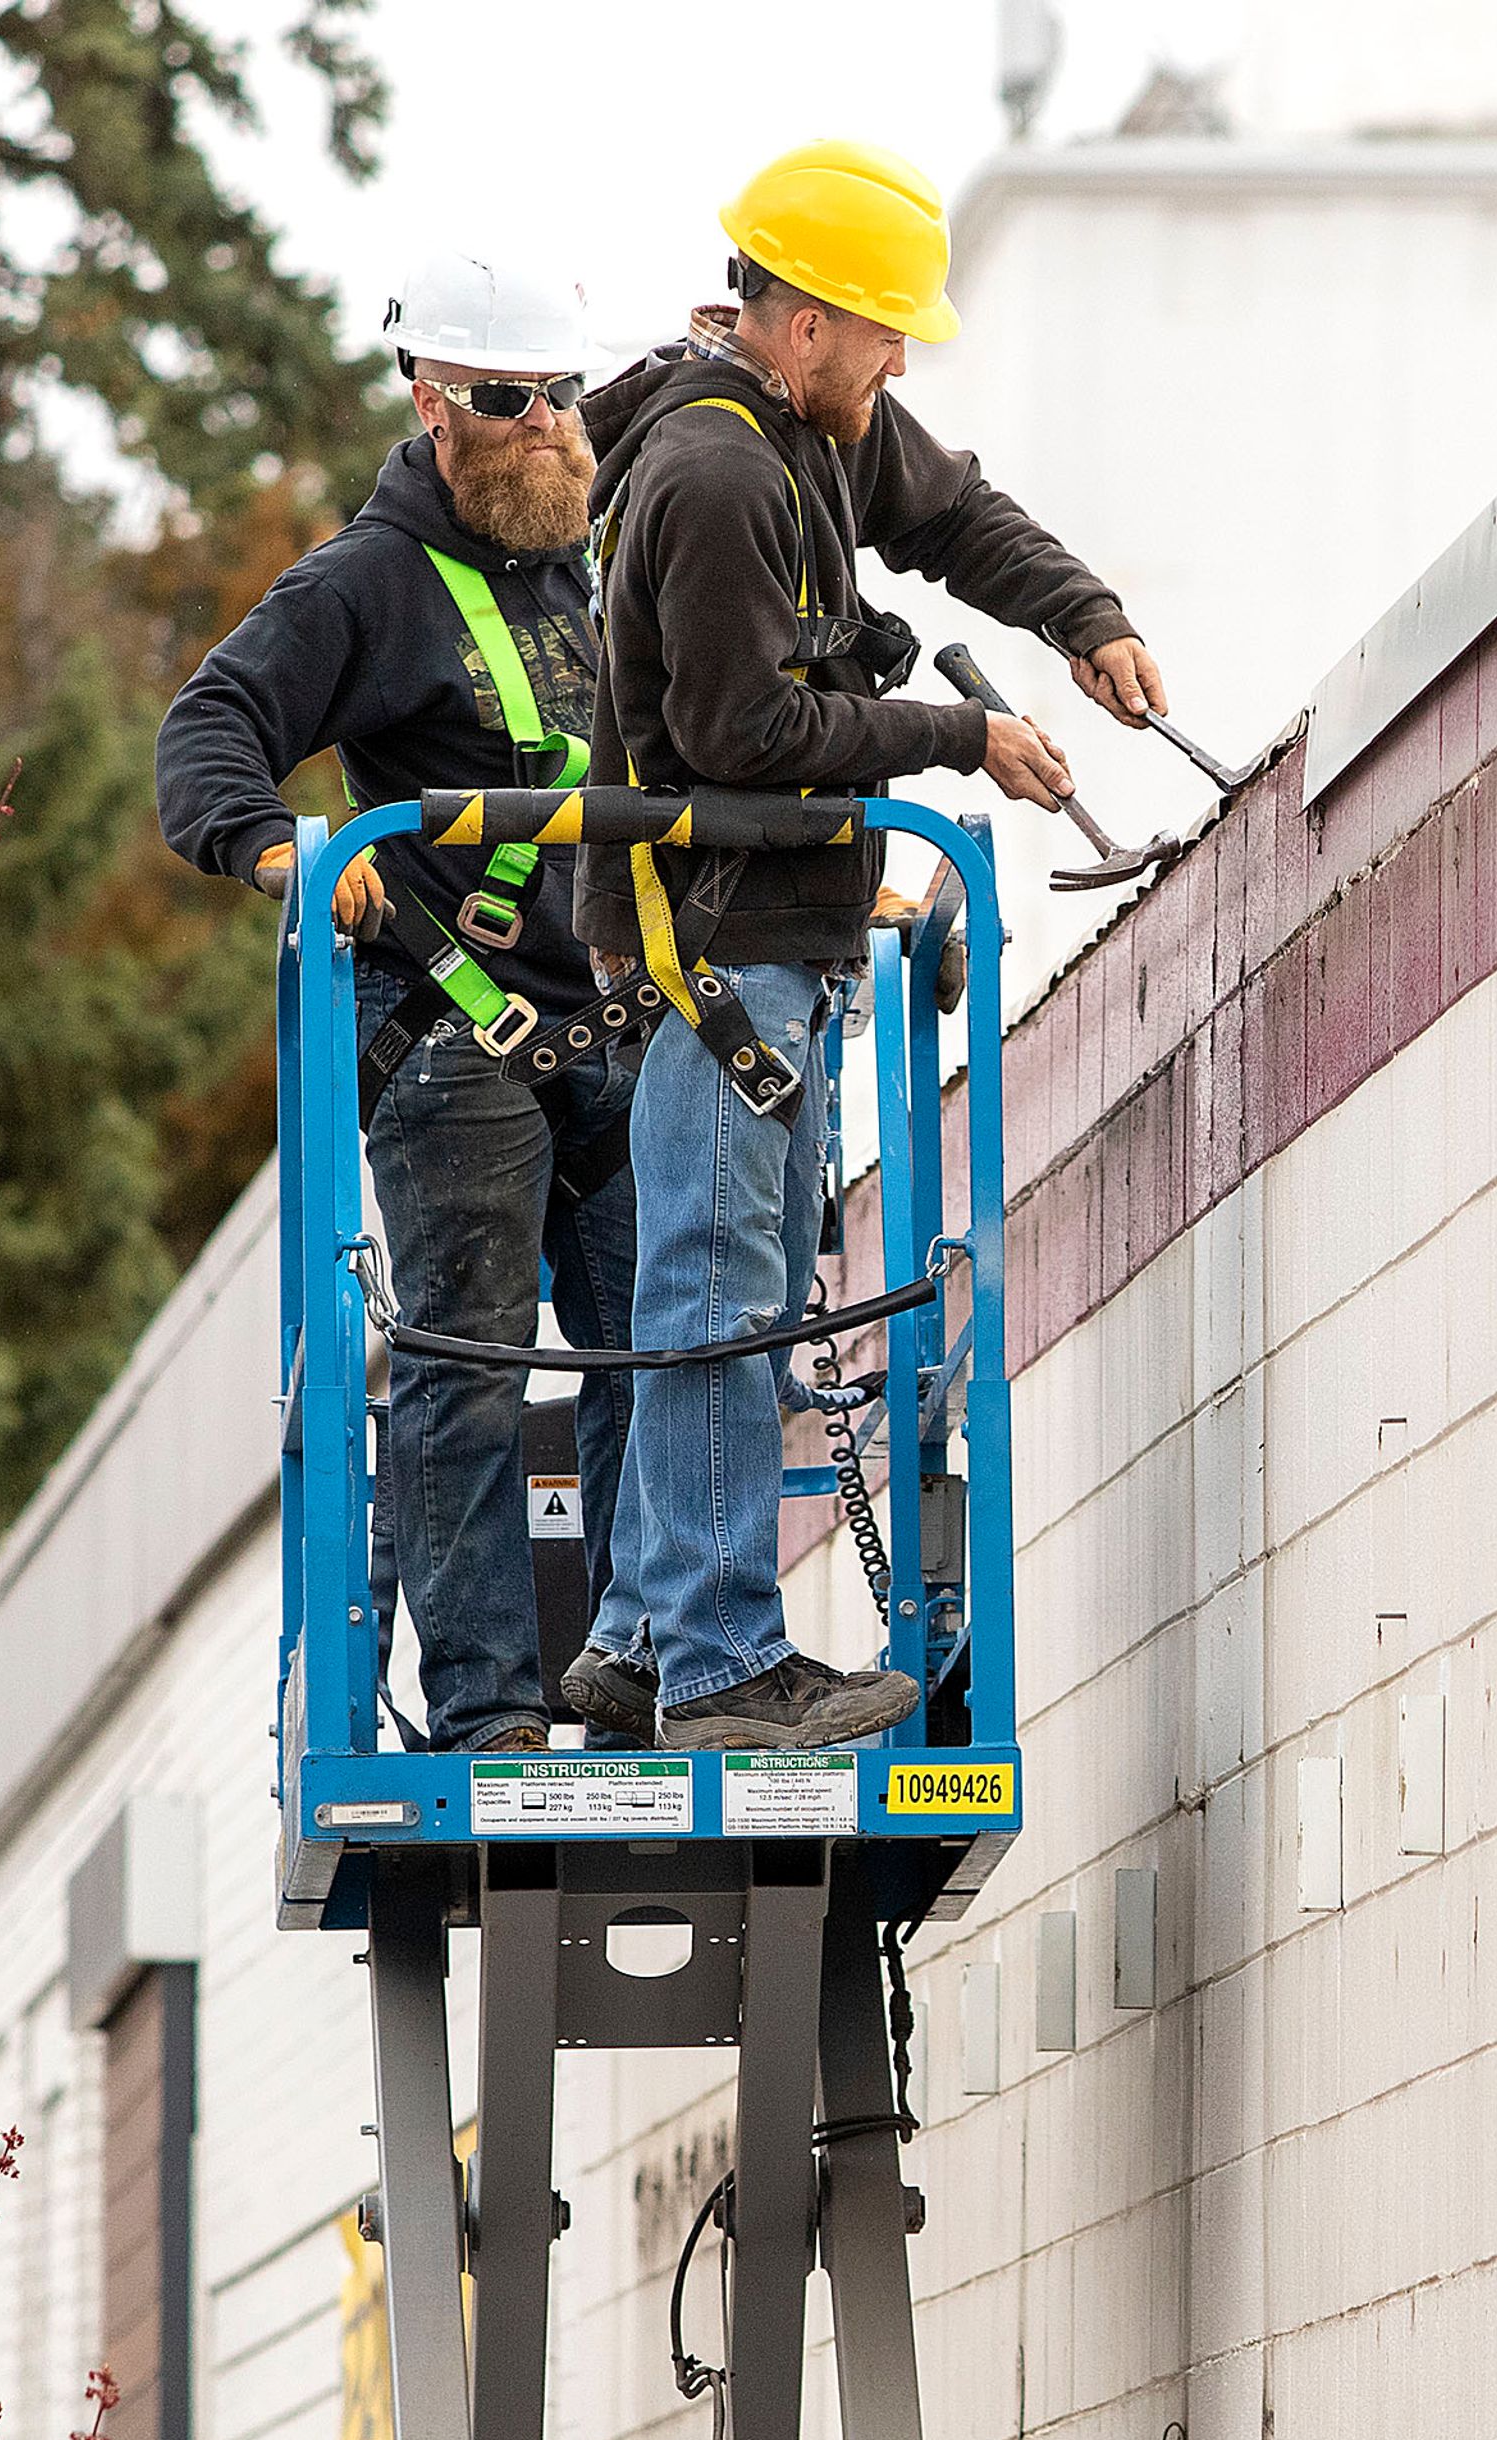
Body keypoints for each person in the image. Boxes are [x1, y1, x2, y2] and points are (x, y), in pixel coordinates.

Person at [557, 138, 1167, 1748]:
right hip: (711, 949)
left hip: (773, 939)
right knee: (715, 1294)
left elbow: (952, 510)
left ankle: (639, 1636)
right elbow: (740, 729)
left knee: (739, 1280)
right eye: (888, 330)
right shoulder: (715, 475)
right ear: (806, 317)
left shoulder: (812, 431)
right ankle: (717, 1667)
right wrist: (960, 736)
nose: (903, 361)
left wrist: (1081, 613)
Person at [155, 248, 635, 1755]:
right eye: (511, 398)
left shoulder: (597, 559)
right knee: (471, 1363)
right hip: (457, 1030)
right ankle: (491, 1704)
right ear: (432, 404)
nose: (551, 424)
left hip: (619, 1019)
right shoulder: (368, 584)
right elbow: (210, 728)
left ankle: (648, 1679)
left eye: (564, 394)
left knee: (660, 1351)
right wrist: (281, 852)